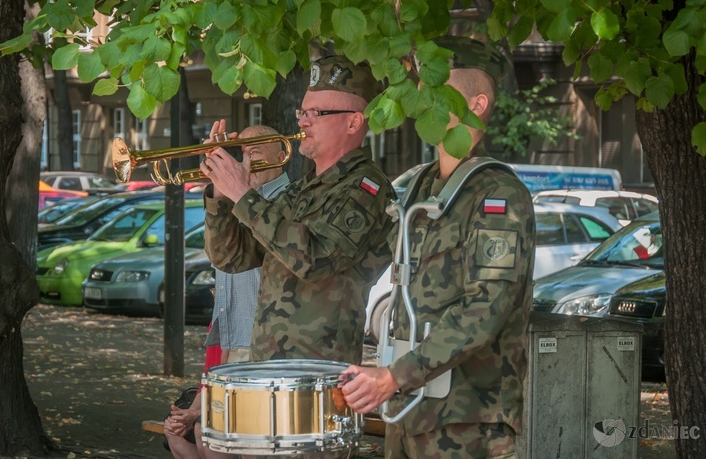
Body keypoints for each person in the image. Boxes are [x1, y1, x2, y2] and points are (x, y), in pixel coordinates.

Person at [339, 36, 537, 458]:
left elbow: (485, 310)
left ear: (477, 104)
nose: (420, 95)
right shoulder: (420, 186)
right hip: (409, 413)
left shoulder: (497, 194)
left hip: (467, 423)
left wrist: (394, 376)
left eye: (436, 86)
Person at [200, 55, 396, 366]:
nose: (303, 122)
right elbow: (231, 257)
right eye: (302, 112)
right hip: (269, 362)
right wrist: (221, 196)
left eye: (317, 113)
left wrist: (243, 195)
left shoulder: (366, 188)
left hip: (319, 369)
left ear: (354, 122)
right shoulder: (303, 187)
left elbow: (315, 260)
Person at [163, 125, 291, 459]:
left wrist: (238, 191)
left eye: (258, 147)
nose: (251, 156)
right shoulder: (237, 200)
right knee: (210, 436)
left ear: (282, 155)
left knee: (241, 443)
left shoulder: (287, 201)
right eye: (245, 150)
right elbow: (222, 258)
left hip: (265, 345)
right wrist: (220, 186)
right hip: (234, 340)